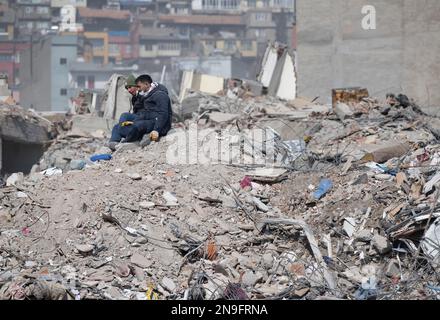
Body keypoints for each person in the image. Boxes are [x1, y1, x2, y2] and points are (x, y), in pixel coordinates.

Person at [108, 74, 172, 148]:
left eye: (138, 86)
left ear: (146, 84)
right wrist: (136, 119)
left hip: (157, 123)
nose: (138, 89)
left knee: (137, 125)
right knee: (117, 126)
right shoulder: (146, 94)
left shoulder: (160, 95)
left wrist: (156, 130)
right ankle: (114, 142)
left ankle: (127, 141)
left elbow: (163, 113)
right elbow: (145, 112)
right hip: (148, 119)